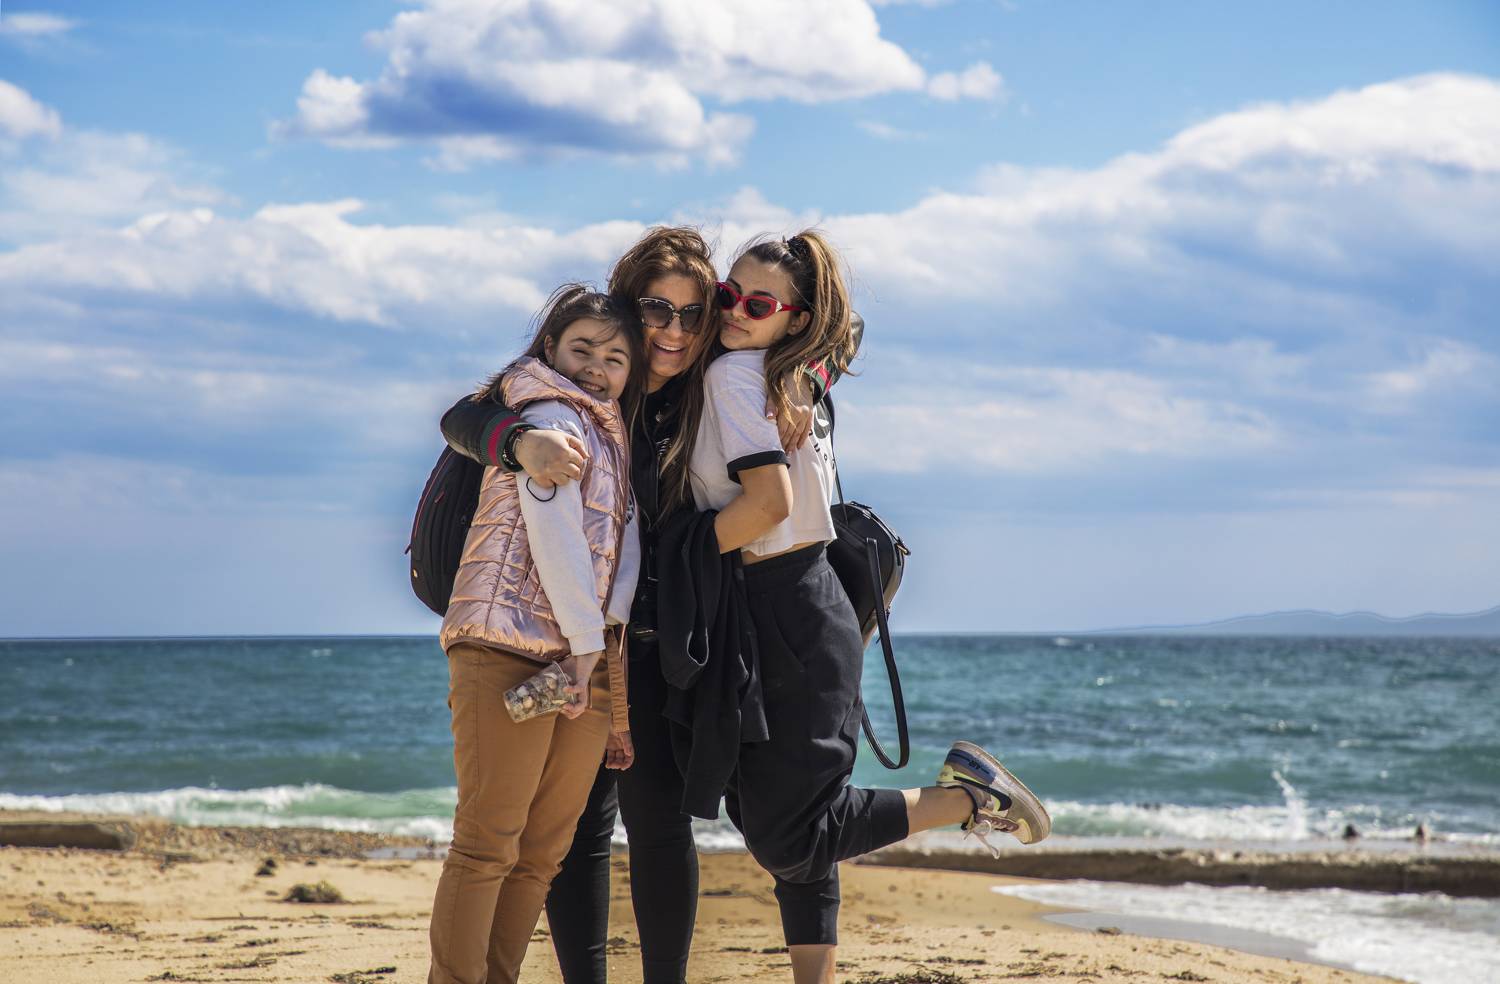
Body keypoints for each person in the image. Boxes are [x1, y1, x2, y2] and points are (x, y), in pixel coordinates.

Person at [438, 227, 843, 984]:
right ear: (628, 307)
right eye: (657, 309)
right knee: (572, 833)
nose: (675, 330)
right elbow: (463, 416)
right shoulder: (584, 385)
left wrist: (806, 373)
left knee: (657, 824)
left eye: (694, 312)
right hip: (571, 634)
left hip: (663, 640)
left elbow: (824, 338)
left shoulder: (713, 383)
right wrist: (516, 442)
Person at [675, 230, 1050, 984]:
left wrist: (675, 556)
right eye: (727, 294)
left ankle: (968, 799)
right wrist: (806, 357)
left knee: (791, 833)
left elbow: (768, 503)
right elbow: (843, 335)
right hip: (809, 607)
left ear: (794, 318)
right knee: (788, 815)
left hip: (781, 610)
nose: (734, 311)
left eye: (757, 304)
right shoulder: (794, 371)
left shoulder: (734, 375)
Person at [428, 285, 644, 984]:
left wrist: (598, 660)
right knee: (487, 845)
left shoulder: (613, 432)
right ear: (550, 348)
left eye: (615, 358)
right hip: (507, 647)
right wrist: (585, 651)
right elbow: (557, 542)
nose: (597, 368)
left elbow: (622, 554)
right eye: (582, 349)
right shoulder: (550, 416)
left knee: (541, 855)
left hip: (582, 660)